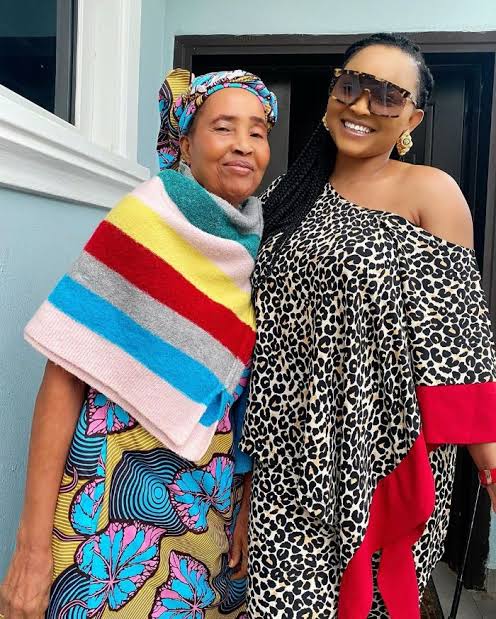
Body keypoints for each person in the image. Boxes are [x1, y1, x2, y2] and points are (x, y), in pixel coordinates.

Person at [0, 68, 277, 619]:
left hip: (205, 505)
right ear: (186, 143)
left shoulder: (253, 246)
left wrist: (246, 503)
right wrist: (30, 548)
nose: (244, 145)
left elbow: (245, 394)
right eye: (223, 127)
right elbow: (63, 379)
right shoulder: (143, 220)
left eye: (258, 131)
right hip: (109, 497)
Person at [240, 33, 496, 618]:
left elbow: (457, 339)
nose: (361, 105)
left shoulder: (430, 191)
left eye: (386, 95)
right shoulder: (288, 194)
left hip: (383, 450)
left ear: (412, 118)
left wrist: (489, 459)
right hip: (286, 453)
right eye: (351, 85)